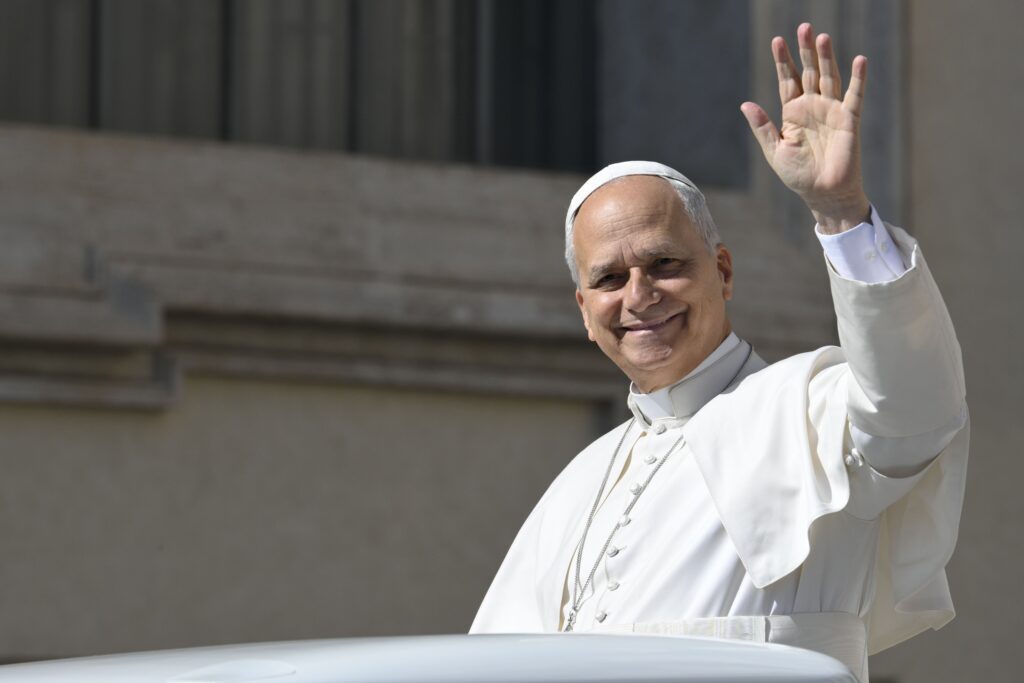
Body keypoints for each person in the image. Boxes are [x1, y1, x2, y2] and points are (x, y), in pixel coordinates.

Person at [469, 23, 968, 683]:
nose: (639, 295)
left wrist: (842, 213)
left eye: (664, 264)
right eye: (609, 279)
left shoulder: (809, 408)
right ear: (585, 312)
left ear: (723, 271)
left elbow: (915, 408)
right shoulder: (580, 480)